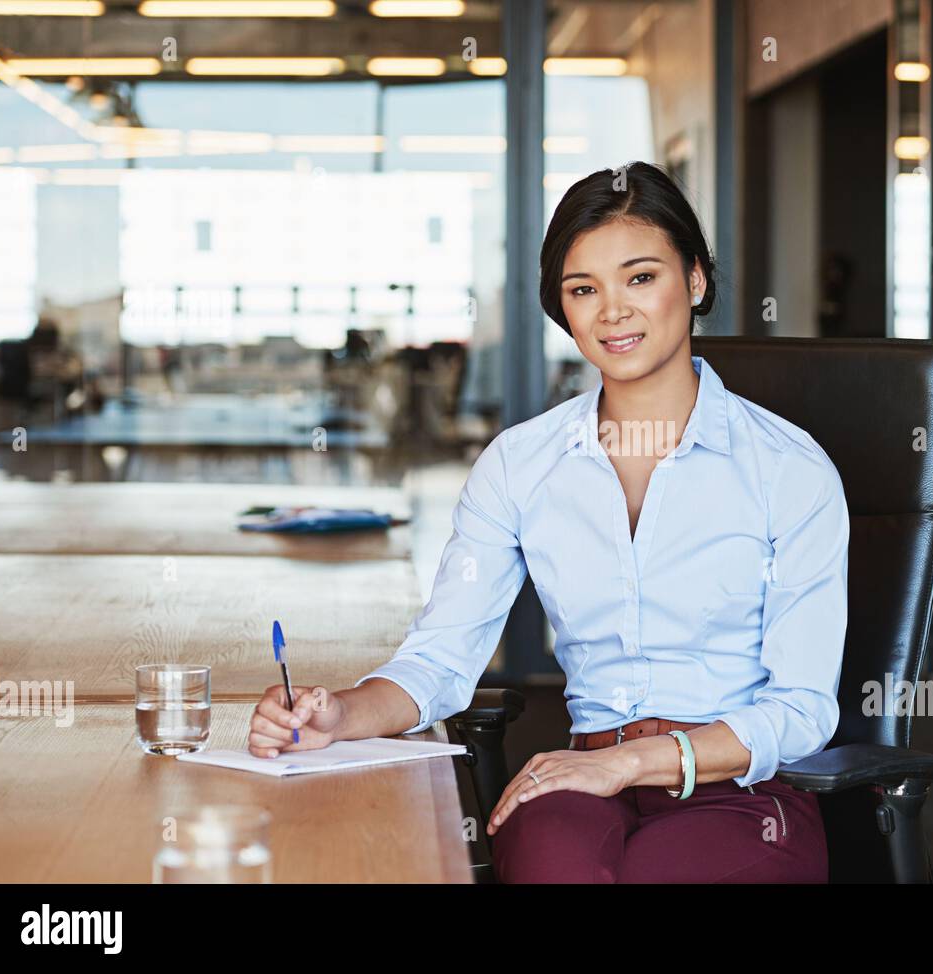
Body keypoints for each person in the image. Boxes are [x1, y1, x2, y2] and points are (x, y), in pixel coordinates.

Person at [247, 161, 850, 883]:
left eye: (641, 277)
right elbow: (441, 660)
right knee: (552, 864)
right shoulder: (522, 464)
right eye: (583, 289)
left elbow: (803, 708)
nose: (613, 311)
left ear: (694, 281)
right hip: (581, 772)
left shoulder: (787, 468)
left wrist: (636, 763)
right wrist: (337, 715)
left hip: (743, 789)